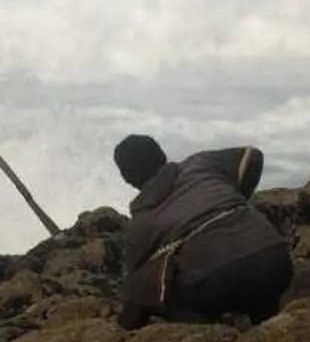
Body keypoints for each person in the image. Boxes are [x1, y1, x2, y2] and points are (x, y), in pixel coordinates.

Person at [111, 134, 294, 331]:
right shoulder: (202, 163)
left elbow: (135, 284)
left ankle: (207, 332)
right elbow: (252, 156)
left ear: (127, 178)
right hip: (275, 260)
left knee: (145, 284)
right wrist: (236, 196)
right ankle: (264, 318)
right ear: (161, 154)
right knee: (253, 282)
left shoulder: (142, 219)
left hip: (223, 281)